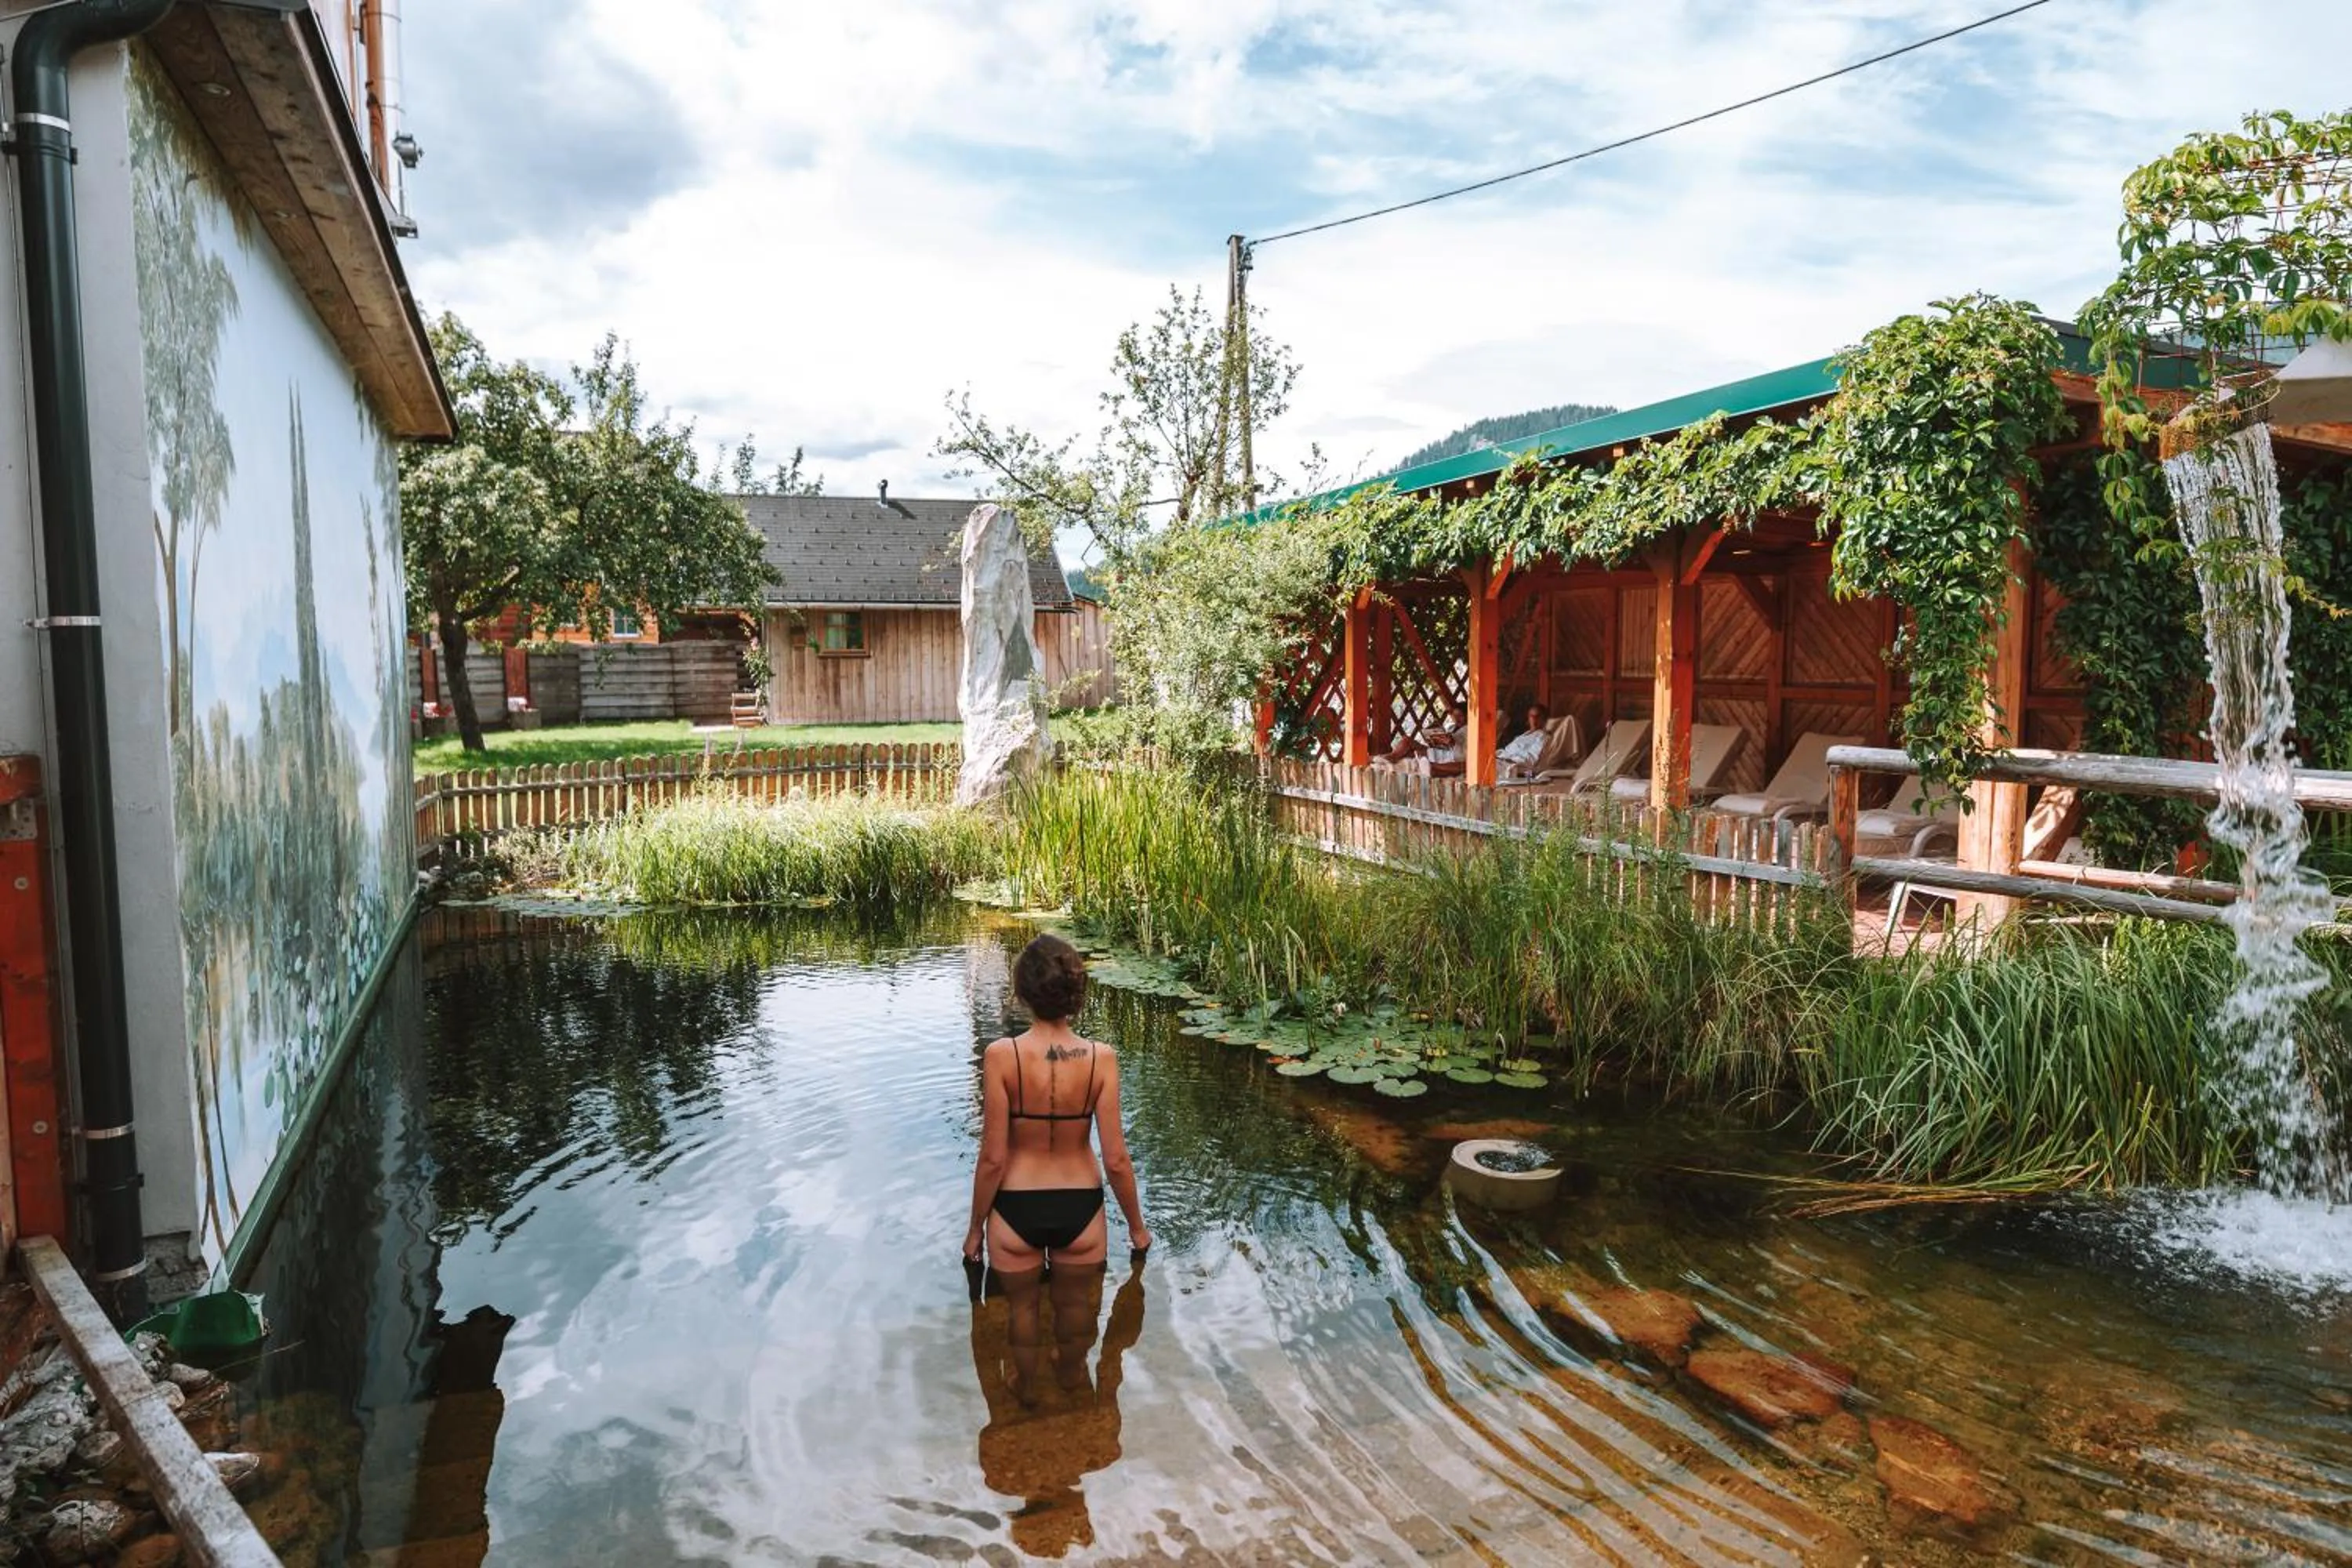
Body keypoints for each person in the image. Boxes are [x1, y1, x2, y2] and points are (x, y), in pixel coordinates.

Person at [964, 934, 1150, 1403]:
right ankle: (1070, 1374)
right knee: (1075, 1311)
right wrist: (1137, 1229)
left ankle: (1025, 1385)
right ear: (1075, 993)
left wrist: (974, 1232)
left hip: (1014, 1209)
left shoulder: (1000, 1057)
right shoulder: (1100, 1060)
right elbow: (1116, 1159)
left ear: (1022, 992)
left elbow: (992, 1158)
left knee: (1023, 1309)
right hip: (1081, 1208)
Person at [1374, 703, 1469, 777]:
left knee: (1465, 766)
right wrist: (1432, 738)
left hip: (1453, 759)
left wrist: (1453, 744)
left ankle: (1431, 766)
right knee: (1407, 740)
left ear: (1467, 715)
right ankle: (1391, 757)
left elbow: (1466, 754)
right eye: (1455, 716)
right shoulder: (1451, 727)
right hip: (1437, 751)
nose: (1457, 719)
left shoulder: (1470, 731)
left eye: (1460, 716)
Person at [1496, 702, 1552, 771]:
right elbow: (1507, 750)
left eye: (1537, 716)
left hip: (1514, 766)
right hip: (1501, 760)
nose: (1534, 719)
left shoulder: (1543, 737)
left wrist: (1511, 760)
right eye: (1531, 716)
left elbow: (1532, 758)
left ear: (1544, 719)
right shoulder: (1522, 736)